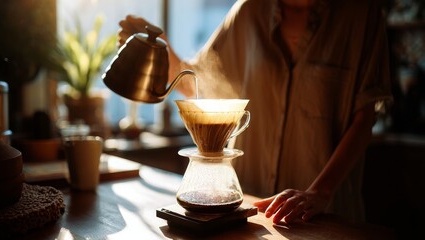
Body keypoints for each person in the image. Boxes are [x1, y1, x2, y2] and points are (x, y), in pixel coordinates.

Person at [118, 0, 393, 224]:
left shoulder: (362, 15)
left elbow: (364, 117)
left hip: (324, 215)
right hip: (249, 209)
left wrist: (318, 192)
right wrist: (161, 54)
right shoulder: (249, 11)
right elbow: (199, 85)